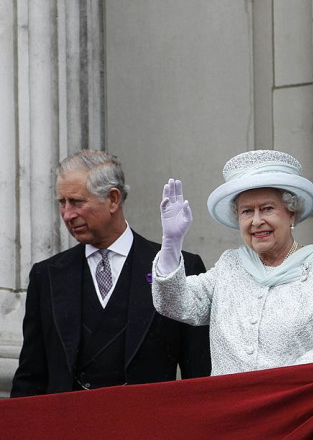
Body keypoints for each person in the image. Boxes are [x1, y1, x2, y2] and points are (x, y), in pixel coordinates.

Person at [11, 150, 211, 397]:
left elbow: (201, 376)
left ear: (113, 199)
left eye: (76, 201)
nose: (67, 214)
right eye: (61, 203)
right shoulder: (47, 276)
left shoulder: (179, 268)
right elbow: (31, 377)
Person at [152, 150, 313, 375]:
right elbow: (175, 303)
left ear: (291, 214)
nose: (257, 221)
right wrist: (171, 242)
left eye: (267, 208)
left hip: (297, 404)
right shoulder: (229, 266)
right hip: (231, 407)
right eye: (247, 211)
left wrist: (269, 389)